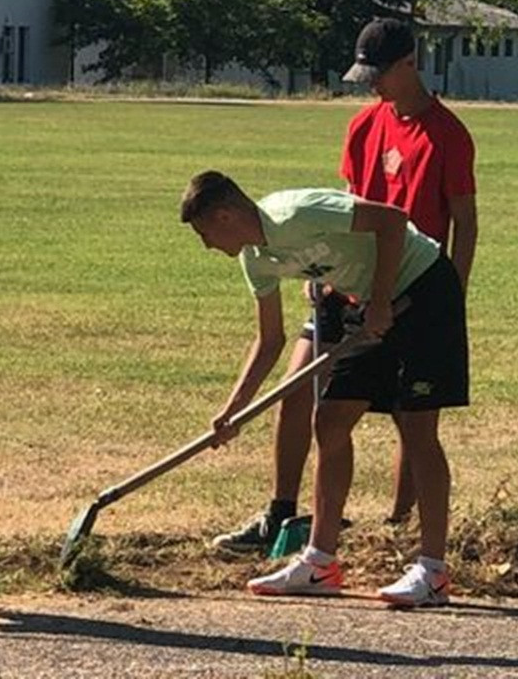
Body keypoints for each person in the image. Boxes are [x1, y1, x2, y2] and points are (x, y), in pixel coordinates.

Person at [211, 17, 477, 552]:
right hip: (343, 284)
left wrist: (452, 297)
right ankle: (281, 515)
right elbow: (348, 202)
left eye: (379, 74)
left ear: (410, 64)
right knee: (303, 392)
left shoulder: (447, 134)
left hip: (410, 284)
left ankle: (400, 527)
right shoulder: (363, 125)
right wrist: (325, 278)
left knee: (411, 415)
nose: (372, 85)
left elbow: (463, 222)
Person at [182, 171, 469, 606]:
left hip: (424, 288)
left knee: (416, 427)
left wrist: (382, 297)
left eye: (205, 233)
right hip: (371, 301)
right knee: (330, 421)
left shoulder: (297, 212)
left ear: (224, 216)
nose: (206, 245)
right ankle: (320, 563)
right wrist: (232, 410)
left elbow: (392, 220)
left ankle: (433, 572)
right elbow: (270, 340)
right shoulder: (255, 260)